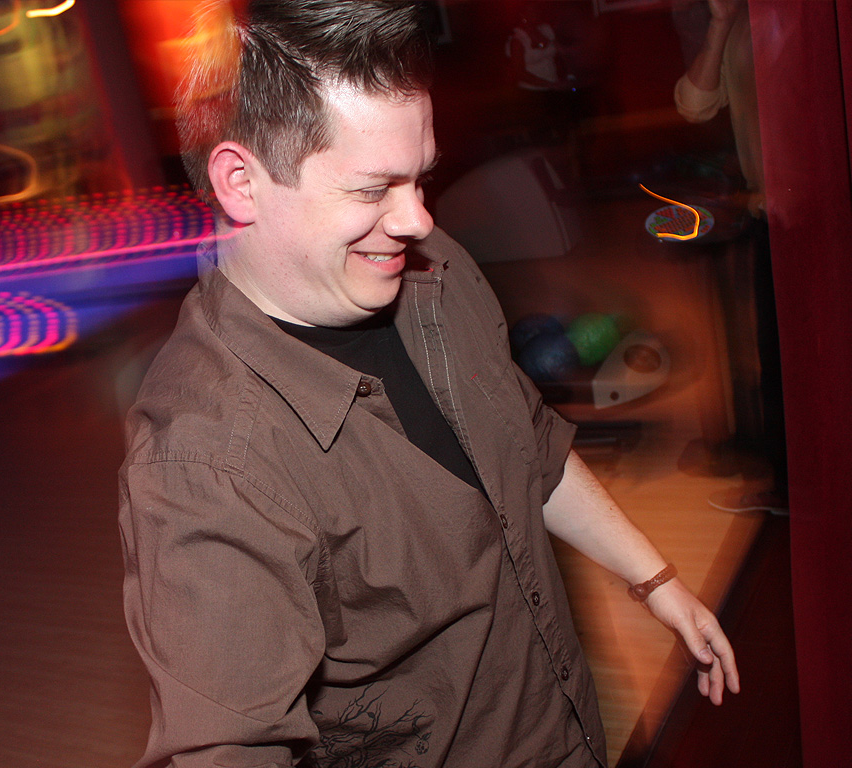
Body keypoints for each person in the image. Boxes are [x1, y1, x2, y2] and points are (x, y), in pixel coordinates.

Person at [119, 2, 739, 766]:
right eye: (372, 189)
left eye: (420, 178)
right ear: (241, 182)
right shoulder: (206, 466)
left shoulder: (432, 267)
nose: (416, 219)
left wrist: (656, 581)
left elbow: (529, 445)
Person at [673, 0, 788, 514]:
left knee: (790, 358)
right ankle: (789, 487)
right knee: (777, 357)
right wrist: (720, 23)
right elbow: (694, 103)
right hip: (772, 215)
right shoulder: (739, 18)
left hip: (810, 215)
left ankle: (796, 488)